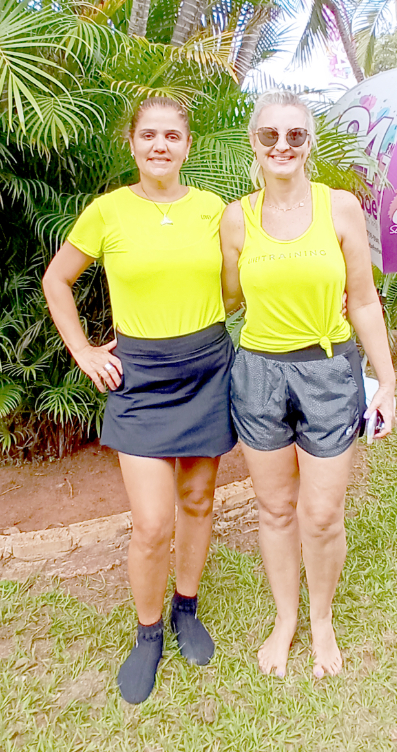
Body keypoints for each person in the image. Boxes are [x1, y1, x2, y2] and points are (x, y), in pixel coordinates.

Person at [42, 97, 236, 704]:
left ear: (188, 144)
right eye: (149, 134)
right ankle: (148, 631)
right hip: (142, 380)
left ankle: (186, 608)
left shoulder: (214, 210)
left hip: (208, 367)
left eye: (172, 135)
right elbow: (57, 280)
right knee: (152, 523)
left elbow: (242, 282)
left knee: (200, 502)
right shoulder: (107, 212)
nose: (160, 145)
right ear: (132, 143)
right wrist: (83, 351)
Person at [220, 89, 395, 680]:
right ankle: (285, 617)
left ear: (308, 142)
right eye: (270, 135)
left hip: (328, 371)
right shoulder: (236, 218)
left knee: (321, 514)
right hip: (259, 374)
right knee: (274, 509)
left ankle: (321, 619)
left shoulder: (339, 208)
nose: (282, 146)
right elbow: (225, 298)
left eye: (295, 135)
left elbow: (365, 302)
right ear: (255, 142)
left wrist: (388, 382)